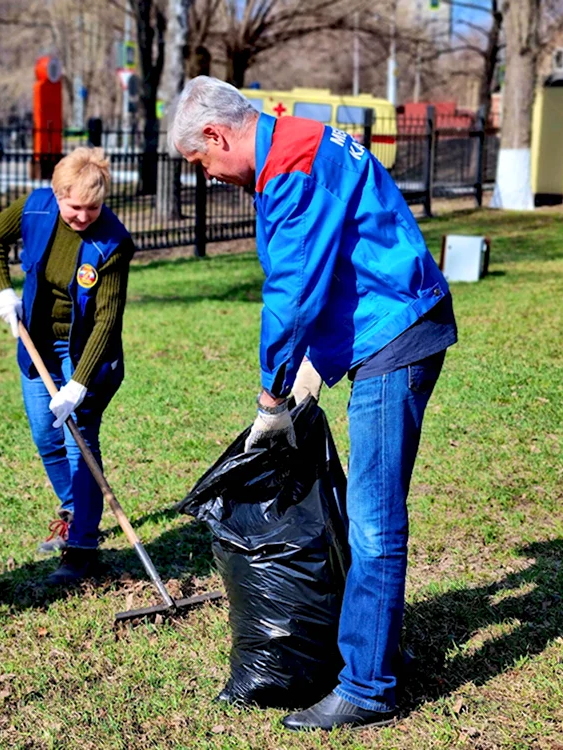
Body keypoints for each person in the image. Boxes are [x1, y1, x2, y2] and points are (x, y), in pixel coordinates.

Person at [171, 76, 457, 731]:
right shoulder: (295, 143)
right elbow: (343, 258)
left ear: (216, 135)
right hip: (389, 321)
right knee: (368, 512)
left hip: (395, 334)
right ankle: (375, 646)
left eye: (202, 163)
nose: (210, 177)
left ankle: (368, 686)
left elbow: (296, 290)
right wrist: (314, 371)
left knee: (375, 520)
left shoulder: (293, 164)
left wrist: (273, 393)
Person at [0, 147, 135, 586]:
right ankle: (75, 512)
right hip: (38, 342)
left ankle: (82, 548)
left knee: (79, 439)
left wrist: (79, 384)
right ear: (57, 194)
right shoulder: (34, 207)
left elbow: (107, 320)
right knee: (45, 434)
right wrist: (2, 291)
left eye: (93, 207)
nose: (84, 216)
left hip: (84, 349)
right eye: (75, 207)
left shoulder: (113, 242)